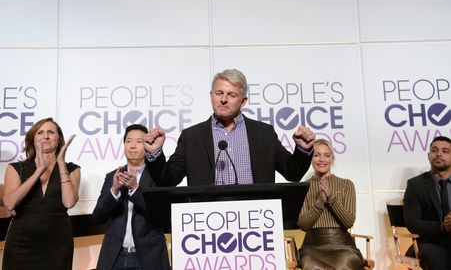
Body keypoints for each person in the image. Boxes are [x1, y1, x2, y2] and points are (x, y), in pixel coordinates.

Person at [143, 68, 315, 186]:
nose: (223, 99)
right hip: (207, 219)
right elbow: (168, 179)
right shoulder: (192, 136)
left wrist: (303, 150)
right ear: (211, 96)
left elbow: (293, 173)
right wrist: (154, 153)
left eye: (231, 95)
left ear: (243, 101)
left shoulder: (263, 133)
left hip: (256, 217)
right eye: (219, 93)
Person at [2, 117, 80, 270]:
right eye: (40, 133)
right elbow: (10, 203)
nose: (46, 136)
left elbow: (69, 202)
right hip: (21, 243)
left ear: (59, 139)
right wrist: (39, 171)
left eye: (51, 132)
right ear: (33, 139)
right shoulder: (17, 168)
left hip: (58, 244)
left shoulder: (72, 169)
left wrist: (61, 162)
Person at [92, 124, 170, 270]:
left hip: (148, 258)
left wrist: (135, 189)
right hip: (115, 257)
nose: (132, 146)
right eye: (128, 141)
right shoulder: (112, 176)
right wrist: (114, 190)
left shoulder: (157, 177)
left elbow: (162, 217)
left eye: (139, 141)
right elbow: (98, 217)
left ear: (148, 144)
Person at [297, 139, 364, 270]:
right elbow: (303, 225)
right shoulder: (303, 188)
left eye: (326, 155)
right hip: (312, 247)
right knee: (310, 264)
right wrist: (320, 202)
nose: (322, 159)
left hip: (343, 246)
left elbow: (348, 222)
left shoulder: (346, 184)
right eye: (316, 155)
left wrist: (331, 198)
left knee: (343, 264)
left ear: (332, 159)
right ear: (311, 159)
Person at [403, 135, 451, 270]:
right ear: (429, 155)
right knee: (433, 255)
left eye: (445, 151)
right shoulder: (415, 185)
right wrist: (443, 227)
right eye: (435, 150)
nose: (439, 154)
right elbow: (413, 223)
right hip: (430, 242)